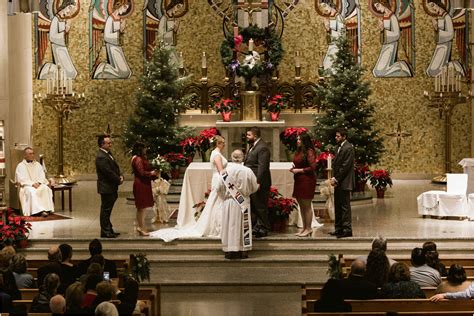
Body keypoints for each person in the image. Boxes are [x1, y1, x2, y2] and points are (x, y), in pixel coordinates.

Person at [150, 135, 227, 241]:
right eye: (223, 143)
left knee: (214, 203)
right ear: (218, 143)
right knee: (217, 203)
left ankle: (215, 225)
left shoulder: (214, 153)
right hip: (219, 179)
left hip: (216, 178)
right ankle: (217, 226)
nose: (224, 145)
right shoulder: (217, 155)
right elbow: (221, 170)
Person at [217, 149, 258, 260]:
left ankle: (229, 250)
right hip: (242, 202)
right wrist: (246, 193)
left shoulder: (225, 171)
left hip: (229, 202)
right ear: (243, 158)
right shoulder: (247, 171)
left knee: (229, 226)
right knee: (242, 226)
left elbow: (218, 188)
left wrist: (225, 198)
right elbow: (254, 186)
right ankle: (243, 250)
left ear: (231, 157)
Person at [38, 0, 78, 80]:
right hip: (57, 48)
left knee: (73, 73)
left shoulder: (62, 19)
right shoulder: (55, 20)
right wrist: (64, 28)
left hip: (62, 48)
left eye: (72, 9)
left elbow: (63, 34)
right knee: (69, 73)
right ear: (64, 6)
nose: (70, 11)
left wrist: (66, 29)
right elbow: (52, 37)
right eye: (69, 8)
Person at [371, 0, 412, 77]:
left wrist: (383, 29)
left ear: (383, 3)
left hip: (391, 46)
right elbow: (384, 35)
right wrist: (382, 29)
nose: (377, 9)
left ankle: (402, 67)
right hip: (385, 46)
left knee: (379, 72)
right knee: (376, 72)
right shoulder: (385, 17)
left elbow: (397, 34)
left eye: (377, 5)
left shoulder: (392, 17)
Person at [93, 0, 132, 79]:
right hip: (111, 48)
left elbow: (119, 35)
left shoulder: (118, 18)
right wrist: (120, 32)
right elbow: (106, 36)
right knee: (124, 73)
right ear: (119, 5)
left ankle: (105, 69)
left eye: (127, 9)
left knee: (127, 72)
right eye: (124, 7)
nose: (125, 10)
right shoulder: (110, 19)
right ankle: (102, 69)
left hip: (118, 48)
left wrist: (121, 30)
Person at [425, 0, 465, 77]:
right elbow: (439, 33)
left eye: (433, 5)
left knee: (433, 72)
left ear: (438, 4)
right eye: (431, 7)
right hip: (440, 46)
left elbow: (450, 34)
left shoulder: (447, 17)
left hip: (445, 46)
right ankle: (451, 67)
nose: (434, 9)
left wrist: (437, 28)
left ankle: (455, 66)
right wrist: (436, 27)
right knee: (430, 71)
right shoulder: (441, 17)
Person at [244, 127, 271, 238]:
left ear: (255, 136)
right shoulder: (254, 145)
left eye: (249, 135)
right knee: (255, 205)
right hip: (252, 180)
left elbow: (262, 167)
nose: (247, 137)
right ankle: (257, 227)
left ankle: (263, 228)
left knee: (260, 205)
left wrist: (258, 181)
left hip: (259, 181)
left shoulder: (262, 147)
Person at [96, 135, 123, 238]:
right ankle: (105, 231)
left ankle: (109, 229)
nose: (110, 144)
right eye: (108, 143)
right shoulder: (101, 156)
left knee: (107, 210)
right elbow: (108, 172)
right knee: (105, 210)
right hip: (106, 187)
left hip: (110, 186)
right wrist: (118, 179)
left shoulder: (107, 154)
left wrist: (120, 176)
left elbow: (114, 168)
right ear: (102, 144)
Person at [290, 132, 318, 237]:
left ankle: (309, 228)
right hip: (299, 179)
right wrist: (294, 169)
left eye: (299, 140)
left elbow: (313, 167)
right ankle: (304, 228)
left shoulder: (309, 151)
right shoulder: (299, 151)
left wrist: (299, 170)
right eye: (297, 139)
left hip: (307, 180)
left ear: (304, 141)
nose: (297, 141)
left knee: (307, 205)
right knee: (301, 205)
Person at [329, 128, 354, 238]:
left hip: (344, 181)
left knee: (344, 206)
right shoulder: (338, 147)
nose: (336, 138)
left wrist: (336, 178)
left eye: (338, 136)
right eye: (336, 136)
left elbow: (345, 166)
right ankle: (338, 228)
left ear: (344, 137)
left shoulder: (348, 148)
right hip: (339, 180)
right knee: (338, 205)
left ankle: (347, 229)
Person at [15, 147, 55, 216]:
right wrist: (32, 184)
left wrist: (39, 182)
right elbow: (21, 179)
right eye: (30, 154)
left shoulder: (38, 164)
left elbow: (42, 175)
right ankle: (39, 211)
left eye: (33, 153)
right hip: (27, 186)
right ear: (25, 155)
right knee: (31, 191)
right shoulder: (20, 166)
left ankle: (47, 209)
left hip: (38, 184)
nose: (32, 155)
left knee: (45, 189)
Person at [131, 142, 157, 236]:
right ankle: (141, 227)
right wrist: (151, 173)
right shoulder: (137, 159)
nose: (146, 150)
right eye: (144, 148)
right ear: (140, 149)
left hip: (143, 183)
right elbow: (141, 172)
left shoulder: (139, 158)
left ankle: (141, 226)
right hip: (140, 184)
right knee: (141, 207)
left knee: (142, 207)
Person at [319, 0, 345, 72]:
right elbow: (330, 31)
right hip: (333, 43)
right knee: (328, 63)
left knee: (330, 63)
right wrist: (327, 26)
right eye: (322, 7)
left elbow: (341, 28)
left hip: (338, 44)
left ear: (329, 4)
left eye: (324, 6)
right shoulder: (331, 17)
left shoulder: (338, 16)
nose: (324, 9)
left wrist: (329, 24)